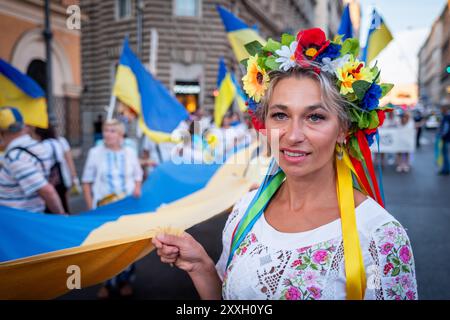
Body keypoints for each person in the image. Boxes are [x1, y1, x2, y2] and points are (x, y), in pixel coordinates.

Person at [152, 28, 417, 300]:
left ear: (343, 130)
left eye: (314, 117)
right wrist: (201, 267)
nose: (292, 135)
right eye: (280, 115)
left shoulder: (379, 236)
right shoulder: (245, 211)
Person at [82, 119, 143, 298]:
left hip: (127, 208)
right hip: (104, 208)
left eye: (112, 131)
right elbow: (86, 181)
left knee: (126, 245)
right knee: (105, 247)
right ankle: (107, 283)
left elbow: (138, 174)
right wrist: (90, 207)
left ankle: (125, 281)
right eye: (106, 131)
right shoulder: (95, 153)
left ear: (121, 134)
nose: (108, 134)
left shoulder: (130, 153)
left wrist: (137, 187)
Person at [0, 107, 65, 214]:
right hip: (31, 213)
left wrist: (62, 217)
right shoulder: (35, 147)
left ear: (2, 133)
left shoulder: (16, 157)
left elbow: (47, 191)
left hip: (18, 220)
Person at [32, 125, 79, 213]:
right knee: (64, 203)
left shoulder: (42, 145)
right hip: (64, 177)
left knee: (52, 205)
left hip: (50, 180)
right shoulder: (60, 141)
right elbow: (69, 160)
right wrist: (74, 177)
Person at [438, 101, 450, 175]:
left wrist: (441, 134)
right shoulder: (446, 116)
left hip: (446, 138)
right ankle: (445, 169)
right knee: (445, 154)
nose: (441, 110)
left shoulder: (446, 116)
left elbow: (446, 128)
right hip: (447, 138)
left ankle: (445, 170)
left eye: (442, 108)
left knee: (445, 154)